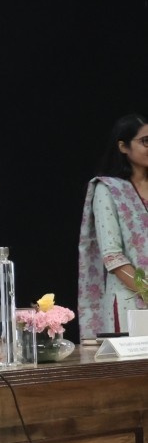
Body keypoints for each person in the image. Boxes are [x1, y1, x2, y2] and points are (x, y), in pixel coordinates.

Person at [78, 114, 148, 337]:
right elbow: (113, 257)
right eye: (145, 141)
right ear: (123, 147)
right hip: (130, 300)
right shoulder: (108, 190)